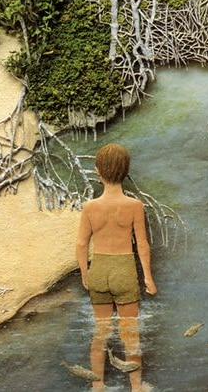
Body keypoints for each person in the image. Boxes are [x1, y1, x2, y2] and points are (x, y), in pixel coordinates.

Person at [75, 143, 157, 391]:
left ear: (98, 170)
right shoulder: (134, 206)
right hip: (124, 269)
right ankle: (135, 386)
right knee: (130, 334)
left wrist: (85, 273)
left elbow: (81, 244)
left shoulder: (90, 207)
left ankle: (97, 387)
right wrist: (149, 278)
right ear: (126, 171)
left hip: (99, 267)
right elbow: (142, 245)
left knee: (100, 333)